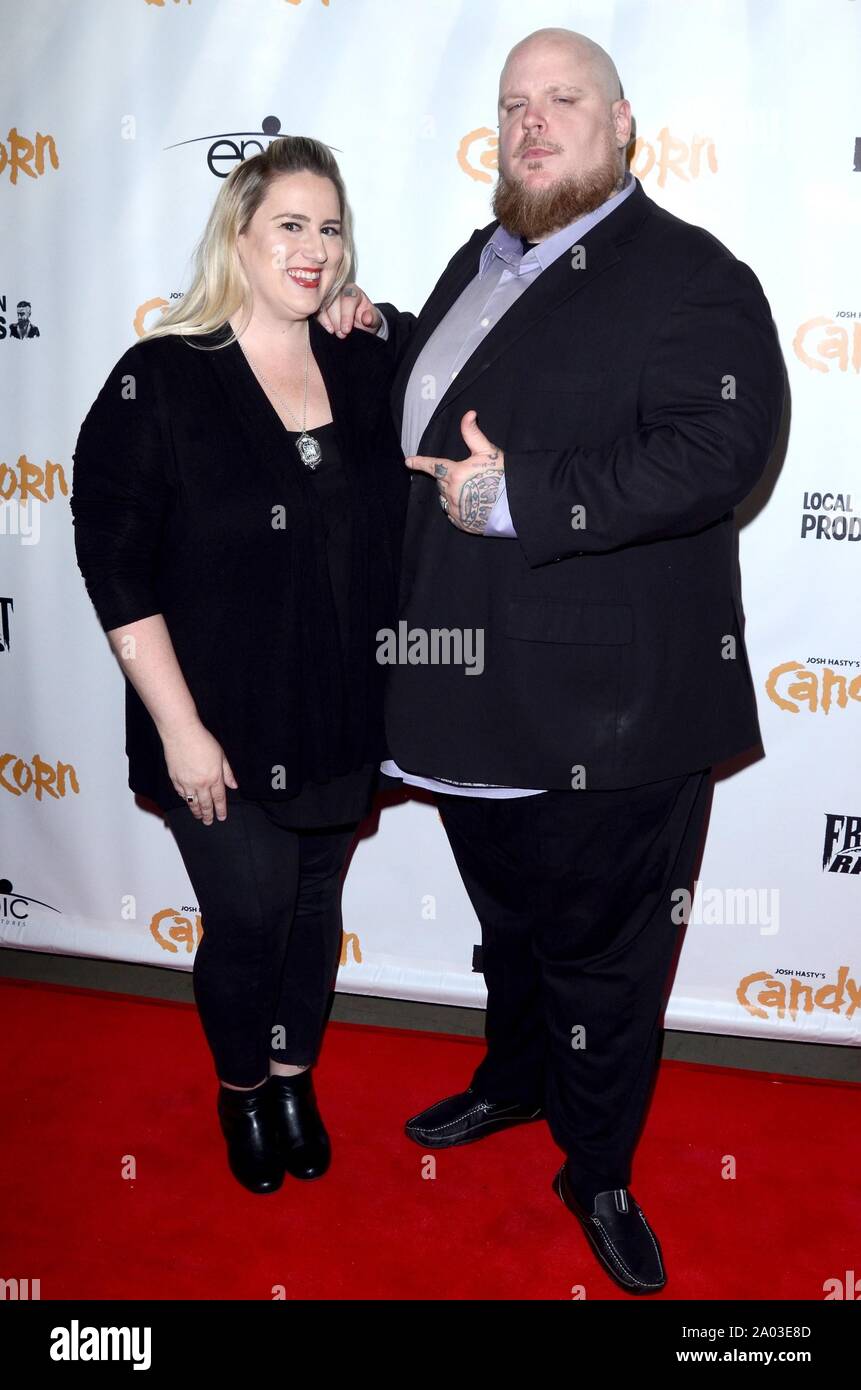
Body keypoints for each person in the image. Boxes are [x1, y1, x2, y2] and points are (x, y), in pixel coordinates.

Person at [325, 28, 785, 1292]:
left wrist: (519, 496)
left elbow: (719, 450)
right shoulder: (485, 263)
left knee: (606, 958)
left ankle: (597, 1169)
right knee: (513, 928)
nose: (535, 123)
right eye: (515, 103)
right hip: (464, 693)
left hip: (611, 711)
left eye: (565, 100)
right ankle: (516, 1082)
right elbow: (483, 397)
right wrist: (386, 332)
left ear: (623, 124)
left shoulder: (693, 274)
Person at [70, 136, 408, 1196]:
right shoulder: (162, 376)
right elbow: (113, 565)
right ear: (239, 236)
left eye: (331, 226)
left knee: (313, 907)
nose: (314, 250)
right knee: (250, 913)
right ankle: (239, 1087)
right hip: (213, 717)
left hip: (341, 708)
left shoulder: (362, 358)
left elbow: (452, 370)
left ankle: (292, 1071)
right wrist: (178, 728)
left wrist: (372, 310)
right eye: (290, 226)